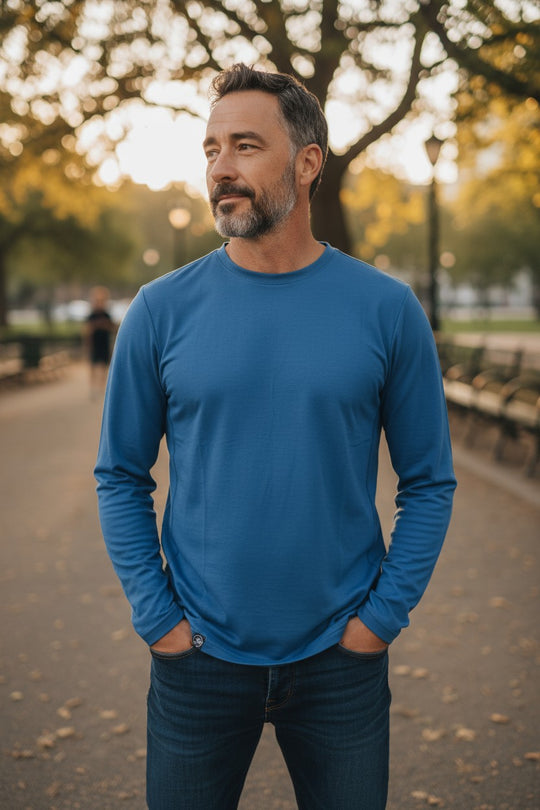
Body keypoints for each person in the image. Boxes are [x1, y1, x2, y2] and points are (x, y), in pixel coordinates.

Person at [95, 64, 456, 810]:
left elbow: (429, 481)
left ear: (307, 162)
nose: (220, 168)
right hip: (197, 663)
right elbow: (121, 475)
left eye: (246, 145)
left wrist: (380, 620)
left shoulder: (387, 310)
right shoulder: (159, 311)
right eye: (210, 149)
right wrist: (157, 617)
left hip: (340, 665)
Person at [84, 286, 115, 398]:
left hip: (104, 343)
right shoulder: (91, 316)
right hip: (95, 344)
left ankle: (102, 387)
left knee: (104, 367)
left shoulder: (106, 315)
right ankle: (93, 387)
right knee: (93, 366)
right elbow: (87, 331)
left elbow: (112, 328)